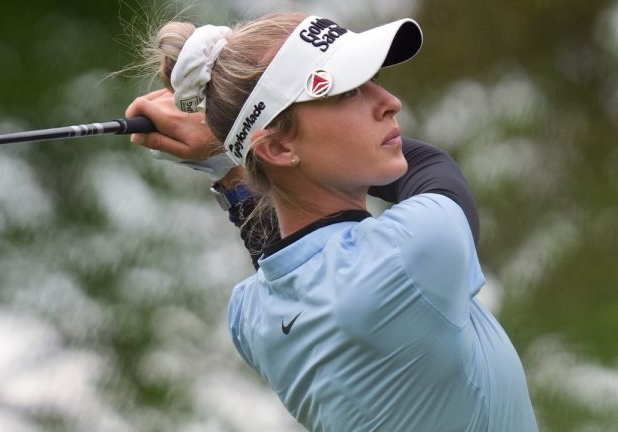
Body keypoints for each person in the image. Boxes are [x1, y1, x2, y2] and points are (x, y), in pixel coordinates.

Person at [125, 11, 539, 432]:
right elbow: (431, 166)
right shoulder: (414, 253)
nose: (389, 102)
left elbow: (285, 252)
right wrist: (231, 151)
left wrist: (233, 154)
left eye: (371, 80)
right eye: (347, 92)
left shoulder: (250, 317)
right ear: (280, 148)